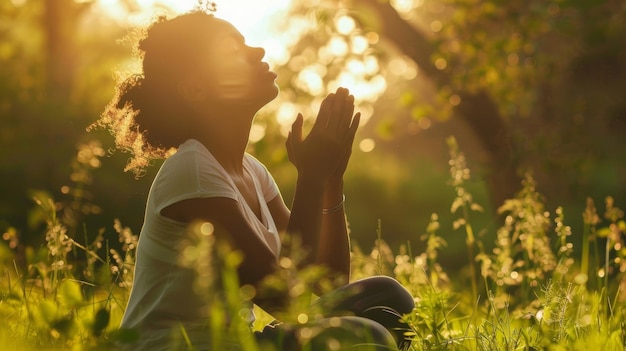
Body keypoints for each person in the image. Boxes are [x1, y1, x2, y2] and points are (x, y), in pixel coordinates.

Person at [97, 9, 415, 351]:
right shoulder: (192, 171)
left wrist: (330, 181)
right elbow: (285, 300)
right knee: (367, 336)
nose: (257, 52)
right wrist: (310, 177)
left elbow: (329, 281)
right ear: (196, 89)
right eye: (232, 52)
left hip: (239, 343)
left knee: (388, 298)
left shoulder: (252, 171)